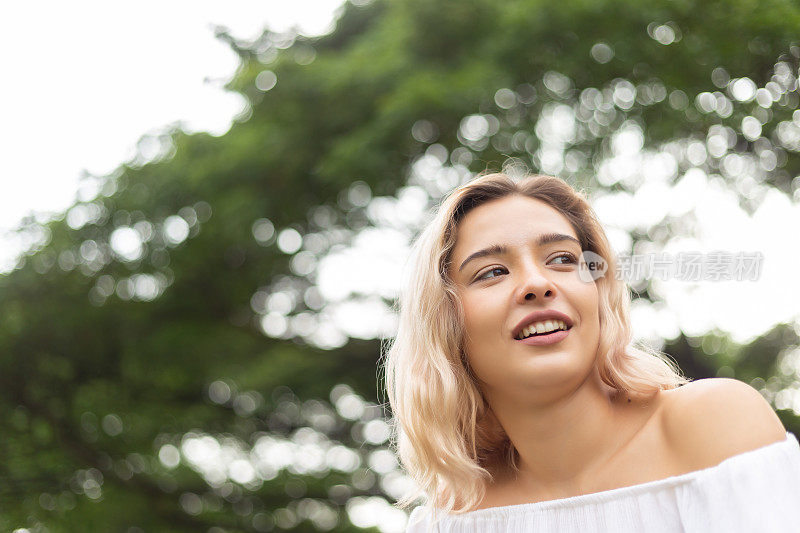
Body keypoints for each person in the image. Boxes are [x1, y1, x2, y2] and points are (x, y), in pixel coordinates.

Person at [382, 172, 800, 532]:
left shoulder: (714, 424)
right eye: (492, 272)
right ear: (446, 321)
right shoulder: (449, 516)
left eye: (562, 259)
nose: (537, 283)